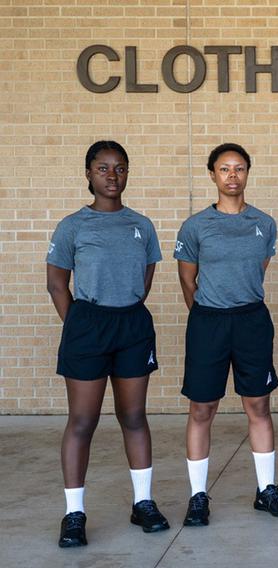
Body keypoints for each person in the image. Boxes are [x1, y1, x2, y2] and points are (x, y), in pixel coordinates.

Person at [48, 140, 168, 547]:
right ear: (88, 174)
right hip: (88, 325)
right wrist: (81, 325)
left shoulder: (142, 225)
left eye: (119, 168)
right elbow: (56, 282)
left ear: (127, 173)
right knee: (83, 421)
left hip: (132, 323)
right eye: (103, 168)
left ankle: (143, 503)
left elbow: (146, 275)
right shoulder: (73, 226)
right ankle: (74, 514)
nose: (112, 175)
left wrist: (123, 308)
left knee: (134, 416)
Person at [175, 143, 278, 526]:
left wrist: (236, 304)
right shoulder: (195, 226)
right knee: (201, 409)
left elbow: (257, 270)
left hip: (251, 321)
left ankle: (266, 490)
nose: (232, 175)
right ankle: (197, 496)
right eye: (224, 169)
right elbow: (187, 281)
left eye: (239, 168)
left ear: (247, 173)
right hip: (209, 322)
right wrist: (212, 314)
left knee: (258, 406)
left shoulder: (264, 223)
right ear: (212, 174)